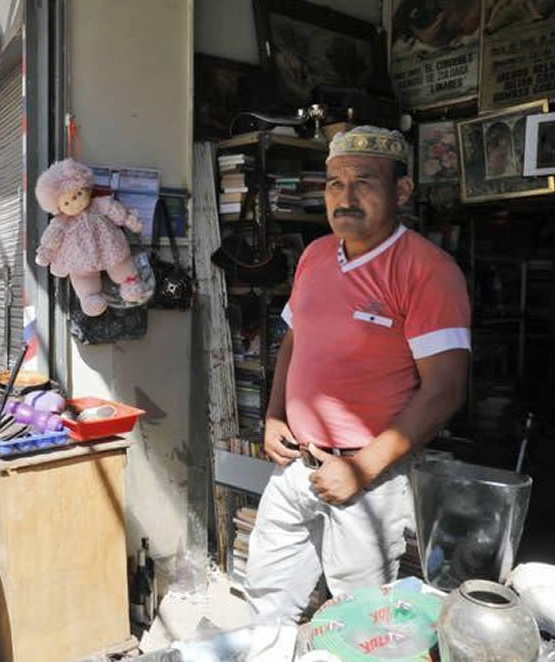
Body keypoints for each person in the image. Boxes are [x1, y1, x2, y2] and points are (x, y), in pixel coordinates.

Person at [244, 126, 471, 624]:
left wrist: (361, 469)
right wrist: (275, 414)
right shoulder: (315, 255)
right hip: (295, 467)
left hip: (370, 478)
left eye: (363, 182)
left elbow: (445, 389)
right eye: (333, 183)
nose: (344, 197)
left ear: (401, 191)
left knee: (360, 620)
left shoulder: (428, 270)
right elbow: (294, 340)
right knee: (266, 603)